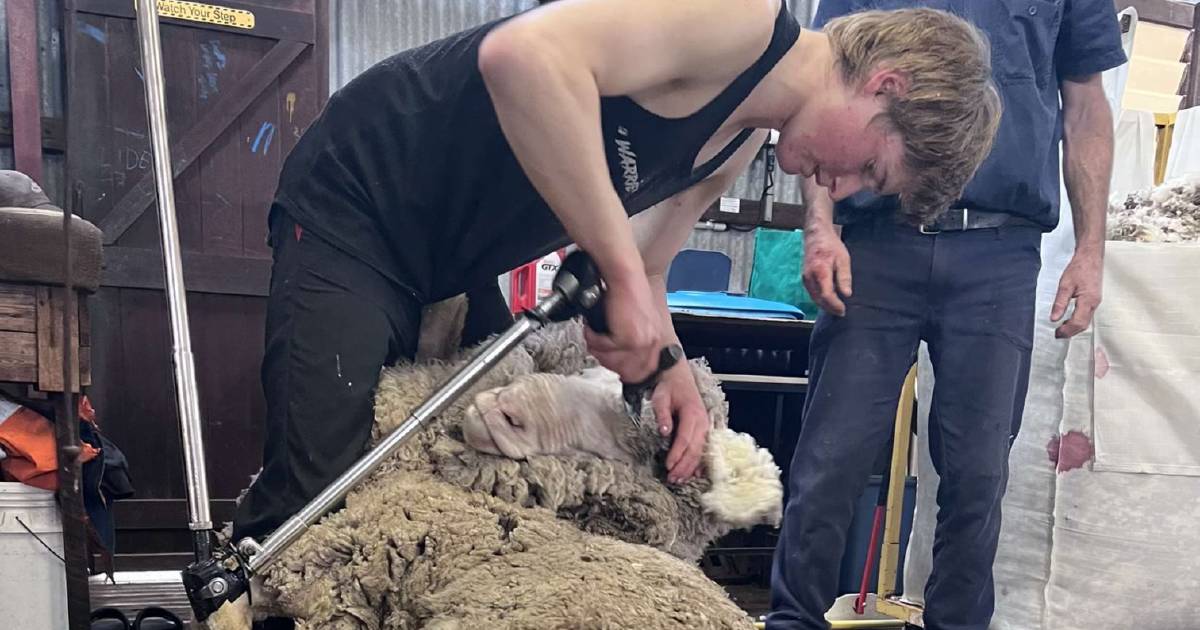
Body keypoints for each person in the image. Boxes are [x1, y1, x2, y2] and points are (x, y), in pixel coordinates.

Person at [232, 0, 1000, 549]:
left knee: (481, 478)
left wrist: (670, 372)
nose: (845, 186)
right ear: (885, 85)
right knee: (316, 500)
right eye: (870, 165)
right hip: (358, 199)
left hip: (449, 258)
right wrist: (624, 279)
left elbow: (649, 265)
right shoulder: (740, 21)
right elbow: (524, 56)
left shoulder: (735, 139)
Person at [767, 1, 1125, 629]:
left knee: (977, 472)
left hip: (1001, 248)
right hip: (876, 239)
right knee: (831, 457)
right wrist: (820, 225)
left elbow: (1086, 103)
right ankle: (794, 621)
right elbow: (826, 83)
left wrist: (1093, 249)